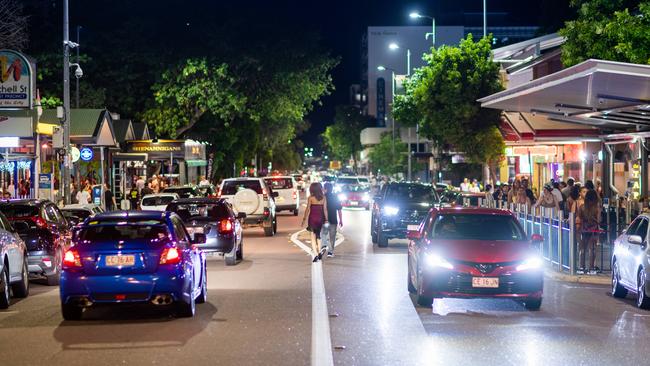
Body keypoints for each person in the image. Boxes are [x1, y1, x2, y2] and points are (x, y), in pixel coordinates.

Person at [301, 182, 328, 262]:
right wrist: (326, 219)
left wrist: (304, 219)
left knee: (312, 237)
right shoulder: (323, 198)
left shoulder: (310, 198)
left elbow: (307, 209)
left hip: (312, 218)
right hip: (320, 219)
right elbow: (325, 210)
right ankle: (320, 252)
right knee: (318, 236)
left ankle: (316, 254)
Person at [577, 190, 601, 274]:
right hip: (594, 229)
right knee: (592, 248)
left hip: (584, 228)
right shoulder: (597, 208)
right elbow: (599, 219)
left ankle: (581, 267)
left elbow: (579, 217)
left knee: (582, 248)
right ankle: (591, 268)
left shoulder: (582, 207)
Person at [321, 182, 342, 257]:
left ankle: (323, 246)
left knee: (324, 234)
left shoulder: (322, 197)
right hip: (333, 220)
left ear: (325, 189)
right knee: (332, 237)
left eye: (323, 188)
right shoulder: (335, 197)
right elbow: (339, 209)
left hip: (325, 220)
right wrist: (341, 220)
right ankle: (330, 252)